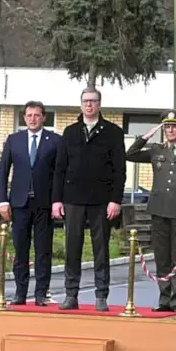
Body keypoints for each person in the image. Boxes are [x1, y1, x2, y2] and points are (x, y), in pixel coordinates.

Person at [125, 110, 176, 311]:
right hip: (159, 210)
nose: (170, 130)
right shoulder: (157, 150)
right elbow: (130, 154)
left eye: (174, 126)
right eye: (167, 127)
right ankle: (164, 299)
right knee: (161, 256)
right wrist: (145, 137)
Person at [52, 89, 126, 311]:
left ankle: (101, 296)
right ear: (81, 104)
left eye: (93, 101)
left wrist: (116, 200)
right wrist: (56, 200)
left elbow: (119, 170)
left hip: (101, 200)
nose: (89, 105)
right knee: (72, 248)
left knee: (101, 249)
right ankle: (70, 294)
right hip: (73, 199)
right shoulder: (70, 132)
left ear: (99, 104)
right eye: (86, 101)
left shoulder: (113, 132)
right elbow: (60, 169)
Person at [0, 101, 61, 306]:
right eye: (29, 115)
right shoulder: (14, 140)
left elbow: (60, 174)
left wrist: (58, 201)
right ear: (24, 118)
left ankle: (41, 293)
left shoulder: (55, 141)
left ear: (44, 117)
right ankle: (20, 293)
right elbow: (3, 172)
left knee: (43, 251)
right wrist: (2, 200)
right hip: (19, 203)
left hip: (45, 204)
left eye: (37, 115)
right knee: (20, 250)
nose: (33, 119)